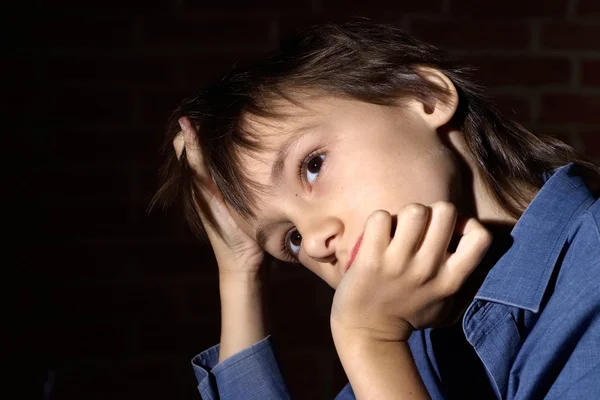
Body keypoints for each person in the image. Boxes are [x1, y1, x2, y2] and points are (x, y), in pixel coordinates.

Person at [150, 20, 600, 400]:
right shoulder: (419, 328)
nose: (316, 240)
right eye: (291, 238)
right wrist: (239, 271)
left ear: (424, 95)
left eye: (312, 165)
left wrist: (370, 342)